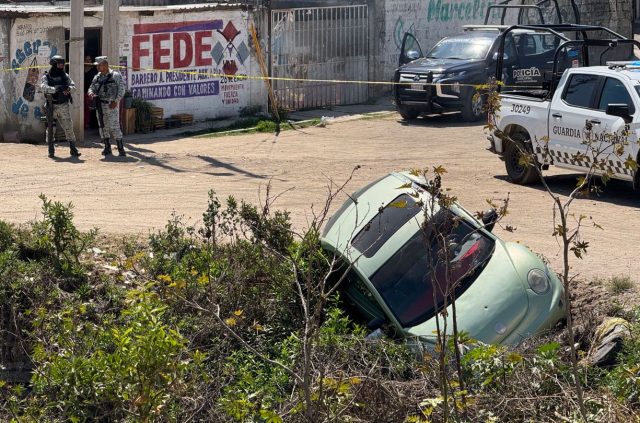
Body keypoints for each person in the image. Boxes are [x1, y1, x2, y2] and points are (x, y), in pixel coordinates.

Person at [39, 55, 81, 158]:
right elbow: (43, 87)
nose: (61, 66)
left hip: (63, 105)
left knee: (68, 127)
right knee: (50, 129)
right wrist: (55, 89)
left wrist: (68, 89)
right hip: (51, 105)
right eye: (59, 64)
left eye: (62, 64)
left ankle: (73, 149)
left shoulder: (65, 76)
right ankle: (51, 149)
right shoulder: (46, 76)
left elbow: (74, 87)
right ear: (54, 65)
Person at [87, 56, 126, 156]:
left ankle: (121, 149)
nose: (98, 67)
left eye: (100, 65)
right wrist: (91, 93)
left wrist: (116, 101)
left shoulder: (115, 75)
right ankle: (107, 147)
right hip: (100, 105)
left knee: (114, 126)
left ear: (106, 65)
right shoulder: (97, 77)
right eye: (97, 66)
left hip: (111, 105)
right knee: (102, 126)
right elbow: (91, 88)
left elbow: (122, 89)